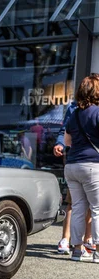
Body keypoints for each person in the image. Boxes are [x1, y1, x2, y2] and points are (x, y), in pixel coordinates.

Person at [63, 73, 99, 262]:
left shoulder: (74, 114)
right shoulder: (98, 112)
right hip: (93, 166)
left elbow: (67, 141)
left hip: (72, 166)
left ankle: (77, 250)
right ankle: (97, 251)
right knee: (97, 208)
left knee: (78, 207)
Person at [53, 100, 93, 255]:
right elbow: (65, 130)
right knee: (76, 203)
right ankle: (67, 239)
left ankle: (86, 242)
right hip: (83, 161)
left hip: (79, 162)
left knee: (88, 205)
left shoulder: (76, 108)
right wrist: (60, 144)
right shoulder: (74, 107)